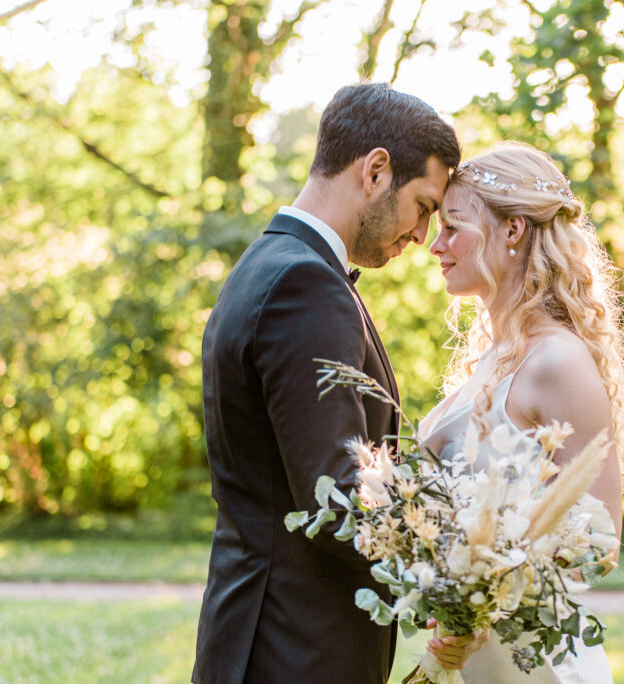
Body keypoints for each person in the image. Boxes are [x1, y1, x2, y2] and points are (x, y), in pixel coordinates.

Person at [192, 83, 466, 683]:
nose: (422, 235)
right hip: (296, 653)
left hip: (259, 640)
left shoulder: (267, 264)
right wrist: (470, 558)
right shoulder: (306, 286)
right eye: (423, 206)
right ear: (375, 171)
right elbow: (338, 501)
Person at [419, 142, 624, 682]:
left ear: (514, 230)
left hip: (537, 666)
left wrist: (480, 599)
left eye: (453, 226)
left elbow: (599, 542)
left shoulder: (558, 360)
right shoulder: (494, 357)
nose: (436, 245)